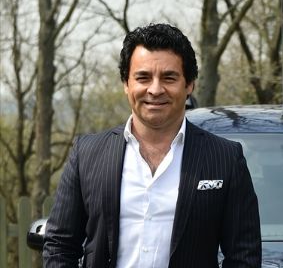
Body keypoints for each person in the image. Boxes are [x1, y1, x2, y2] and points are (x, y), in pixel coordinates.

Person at [43, 23, 261, 268]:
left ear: (189, 85)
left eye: (169, 77)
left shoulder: (226, 159)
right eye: (143, 77)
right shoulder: (87, 154)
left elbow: (244, 257)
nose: (155, 90)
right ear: (126, 84)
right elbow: (59, 246)